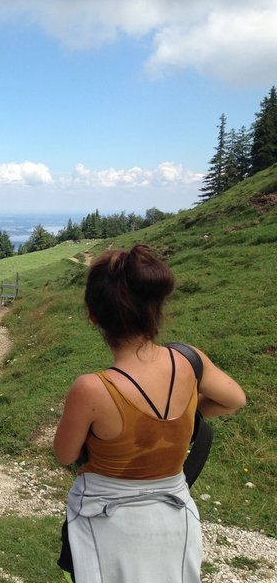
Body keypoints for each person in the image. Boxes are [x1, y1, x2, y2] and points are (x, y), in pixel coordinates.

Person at [53, 244, 246, 583]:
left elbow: (65, 454)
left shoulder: (92, 389)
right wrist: (183, 417)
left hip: (108, 523)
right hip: (174, 515)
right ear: (155, 309)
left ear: (93, 315)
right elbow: (235, 399)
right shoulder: (189, 361)